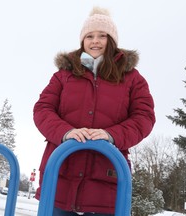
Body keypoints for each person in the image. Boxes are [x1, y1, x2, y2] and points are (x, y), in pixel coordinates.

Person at [33, 6, 155, 216]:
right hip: (60, 177)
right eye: (89, 36)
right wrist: (66, 132)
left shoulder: (132, 78)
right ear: (82, 40)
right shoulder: (64, 74)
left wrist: (111, 135)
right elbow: (43, 109)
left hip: (104, 184)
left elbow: (144, 117)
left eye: (102, 35)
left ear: (112, 40)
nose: (95, 41)